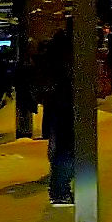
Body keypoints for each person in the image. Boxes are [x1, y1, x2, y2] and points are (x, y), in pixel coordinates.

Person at [36, 30, 73, 205]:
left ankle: (59, 188)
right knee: (66, 149)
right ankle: (60, 191)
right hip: (66, 105)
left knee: (60, 146)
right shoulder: (65, 60)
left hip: (55, 105)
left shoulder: (47, 58)